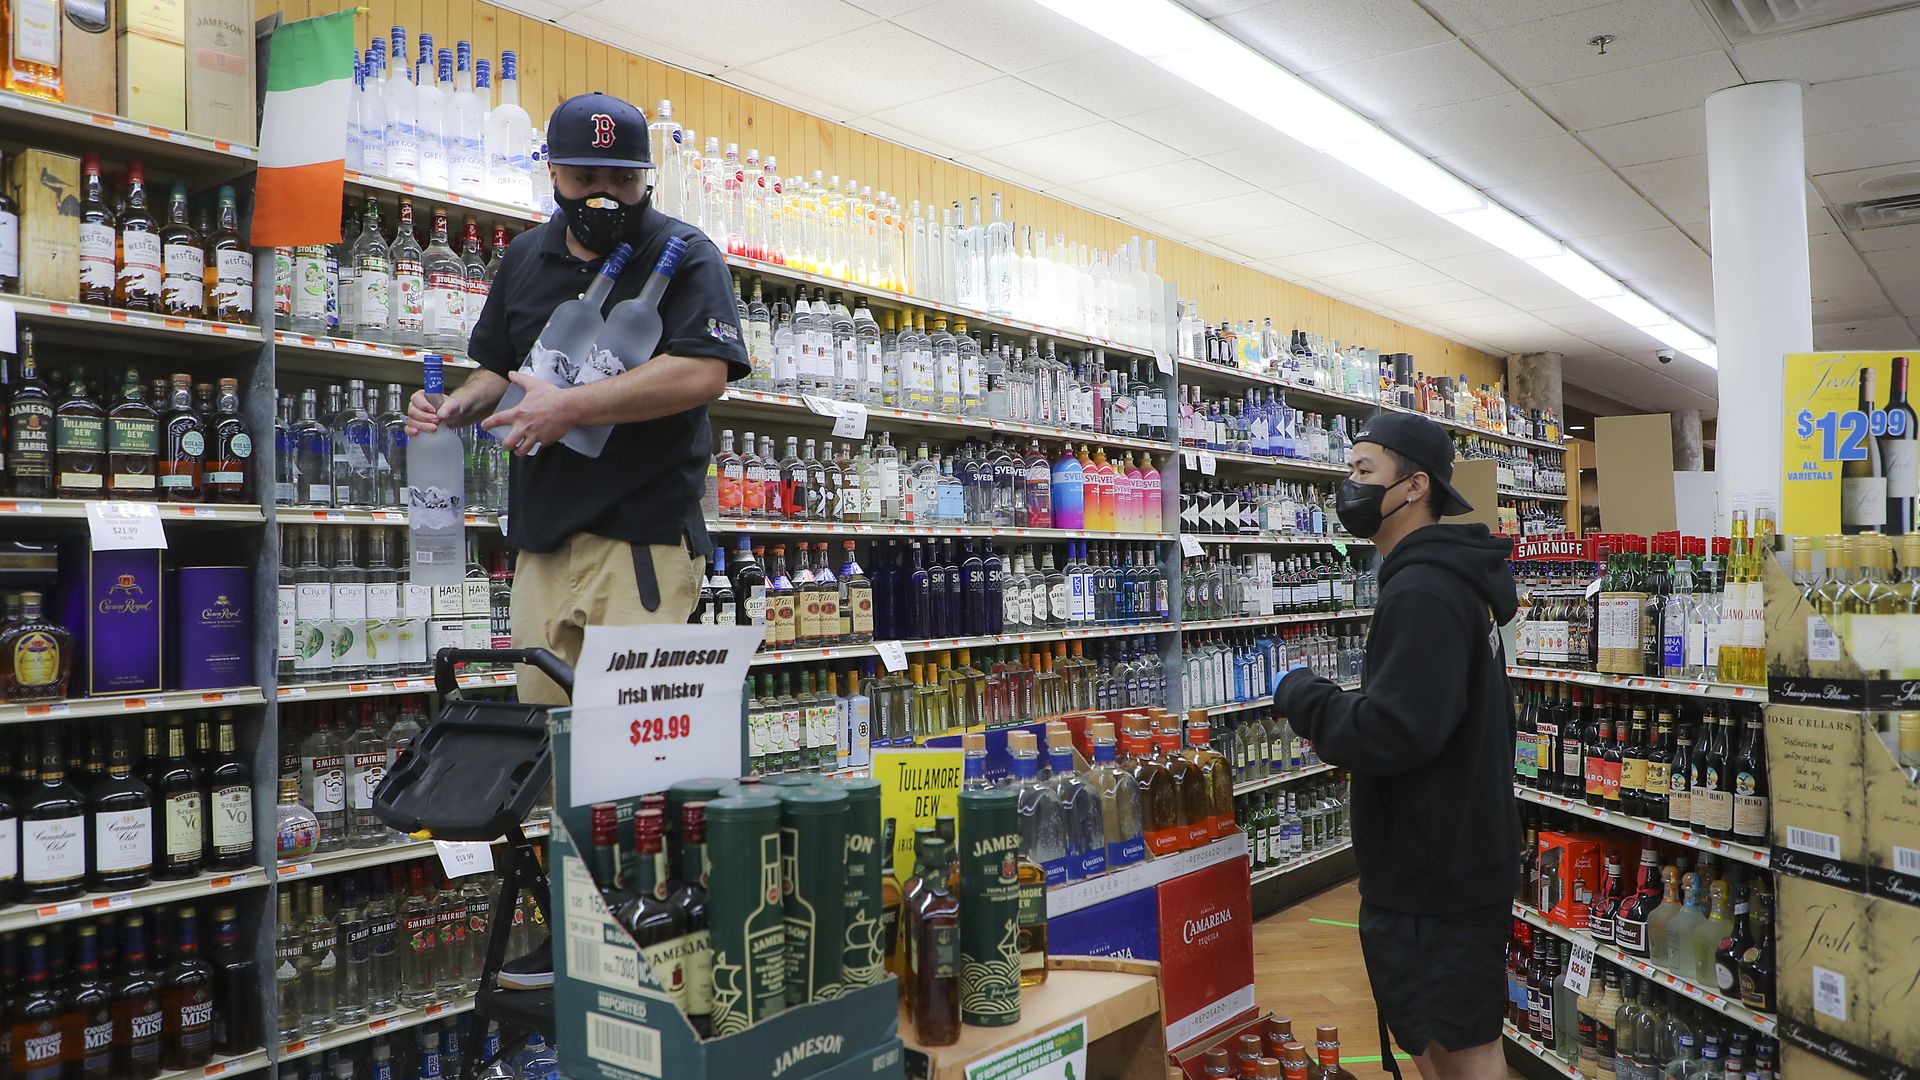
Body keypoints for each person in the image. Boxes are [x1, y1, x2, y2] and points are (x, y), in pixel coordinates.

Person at [407, 92, 748, 988]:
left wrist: (571, 408)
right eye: (584, 177)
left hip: (639, 542)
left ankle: (651, 942)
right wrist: (456, 407)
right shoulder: (526, 258)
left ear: (646, 179)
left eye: (621, 180)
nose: (603, 195)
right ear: (551, 173)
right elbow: (499, 369)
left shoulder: (688, 255)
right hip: (541, 546)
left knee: (635, 756)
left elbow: (703, 371)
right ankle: (576, 936)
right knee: (551, 759)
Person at [1269, 412, 1519, 1080]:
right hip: (1453, 858)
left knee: (1462, 1052)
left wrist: (1305, 696)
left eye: (1363, 470)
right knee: (1443, 1045)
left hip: (1436, 873)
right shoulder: (1445, 581)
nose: (1348, 486)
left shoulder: (1423, 592)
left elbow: (1394, 732)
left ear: (1414, 486)